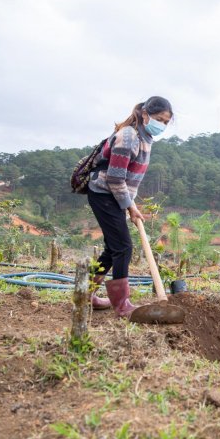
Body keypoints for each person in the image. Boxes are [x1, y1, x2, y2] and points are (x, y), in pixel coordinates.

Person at [86, 96, 173, 318]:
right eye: (159, 119)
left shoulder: (145, 137)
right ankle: (122, 305)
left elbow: (126, 178)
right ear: (145, 115)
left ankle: (87, 295)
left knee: (112, 247)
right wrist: (130, 206)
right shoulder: (128, 136)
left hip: (116, 195)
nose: (162, 125)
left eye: (166, 121)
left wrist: (129, 202)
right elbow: (115, 178)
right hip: (104, 193)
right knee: (123, 247)